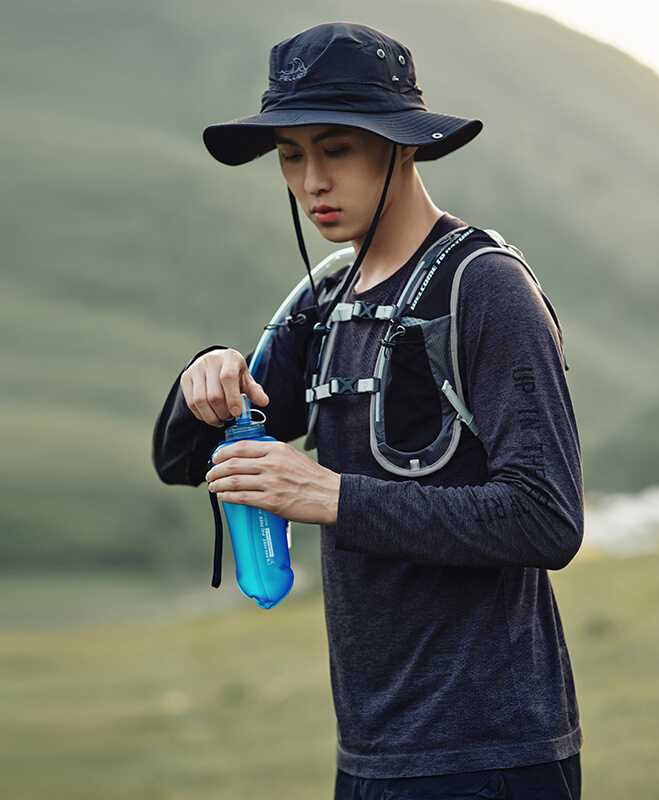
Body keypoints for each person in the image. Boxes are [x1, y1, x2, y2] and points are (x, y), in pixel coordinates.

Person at [153, 22, 584, 800]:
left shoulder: (484, 288)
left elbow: (547, 519)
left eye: (336, 148)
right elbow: (183, 461)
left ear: (402, 146)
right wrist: (206, 376)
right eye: (290, 154)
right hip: (370, 754)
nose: (311, 179)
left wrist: (330, 496)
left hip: (489, 756)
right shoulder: (325, 298)